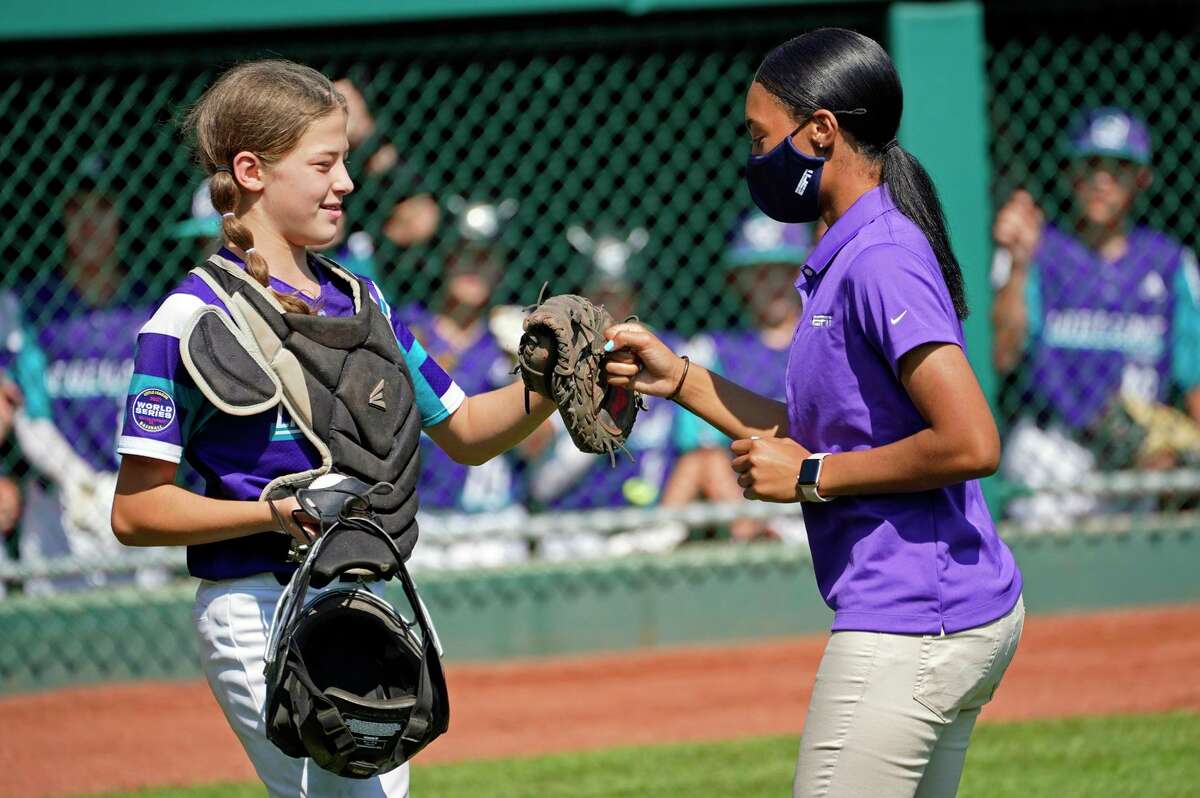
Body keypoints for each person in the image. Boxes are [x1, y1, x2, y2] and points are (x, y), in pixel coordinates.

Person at [109, 60, 555, 798]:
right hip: (257, 600)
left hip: (363, 591)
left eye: (346, 159)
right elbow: (135, 511)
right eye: (324, 162)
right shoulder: (186, 321)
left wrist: (560, 384)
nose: (346, 182)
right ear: (251, 171)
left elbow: (469, 429)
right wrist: (273, 513)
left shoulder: (362, 300)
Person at [604, 29, 1023, 798]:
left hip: (912, 617)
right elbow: (824, 432)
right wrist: (683, 379)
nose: (755, 155)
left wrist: (814, 476)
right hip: (937, 609)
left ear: (821, 131)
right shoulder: (849, 252)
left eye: (761, 137)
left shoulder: (881, 258)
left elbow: (971, 441)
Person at [991, 106, 1200, 524]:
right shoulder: (1040, 252)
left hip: (1135, 463)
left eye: (1119, 167)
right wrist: (1018, 265)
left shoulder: (1169, 263)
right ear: (1070, 174)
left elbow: (1194, 377)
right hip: (1052, 451)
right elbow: (1001, 355)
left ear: (1142, 179)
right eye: (1091, 165)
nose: (1102, 180)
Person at [524, 225, 691, 557]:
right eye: (598, 298)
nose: (608, 309)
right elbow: (537, 472)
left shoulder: (673, 356)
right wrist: (529, 381)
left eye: (619, 295)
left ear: (637, 295)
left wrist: (666, 522)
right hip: (571, 528)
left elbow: (696, 453)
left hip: (646, 530)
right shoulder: (562, 361)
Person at [676, 210, 816, 542]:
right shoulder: (715, 350)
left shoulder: (825, 340)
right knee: (707, 458)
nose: (774, 285)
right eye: (759, 273)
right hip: (753, 504)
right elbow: (702, 447)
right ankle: (752, 544)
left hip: (820, 491)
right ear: (737, 280)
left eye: (784, 271)